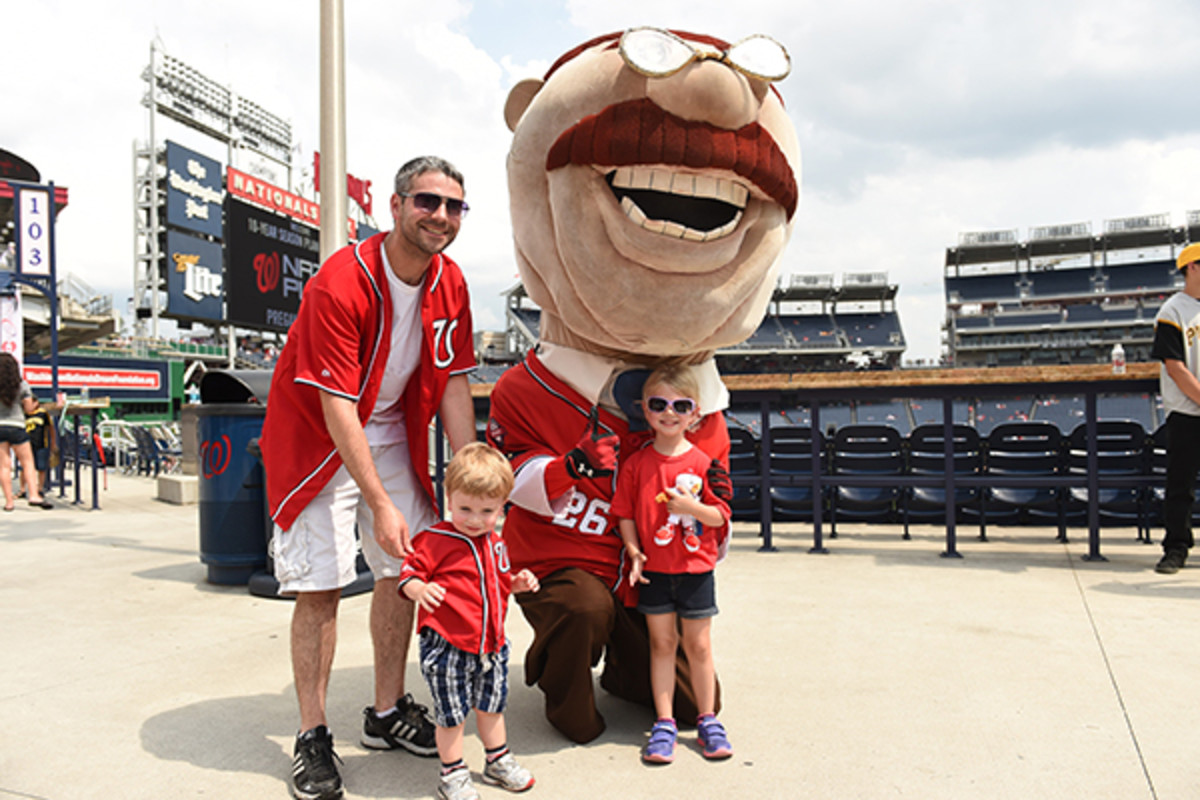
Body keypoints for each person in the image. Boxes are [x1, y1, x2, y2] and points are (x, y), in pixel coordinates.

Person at [260, 156, 478, 800]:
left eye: (454, 206)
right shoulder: (341, 279)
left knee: (404, 573)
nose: (440, 216)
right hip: (319, 438)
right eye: (427, 202)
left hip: (388, 432)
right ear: (396, 205)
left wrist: (470, 478)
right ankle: (312, 735)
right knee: (322, 584)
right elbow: (334, 404)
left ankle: (385, 711)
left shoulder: (453, 282)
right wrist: (380, 503)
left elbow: (456, 383)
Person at [399, 443, 539, 800]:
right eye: (465, 509)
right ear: (449, 497)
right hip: (449, 645)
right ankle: (453, 773)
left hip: (491, 645)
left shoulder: (495, 542)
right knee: (451, 715)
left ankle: (497, 759)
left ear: (502, 506)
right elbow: (408, 573)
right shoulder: (435, 540)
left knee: (492, 707)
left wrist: (516, 584)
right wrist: (418, 589)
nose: (475, 519)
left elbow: (496, 583)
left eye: (487, 510)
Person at [612, 365, 732, 763]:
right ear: (644, 410)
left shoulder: (705, 462)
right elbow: (625, 514)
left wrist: (691, 507)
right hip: (656, 571)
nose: (669, 413)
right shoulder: (635, 465)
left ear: (695, 412)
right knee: (662, 645)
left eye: (680, 405)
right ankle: (663, 722)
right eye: (659, 404)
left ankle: (708, 720)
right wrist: (633, 550)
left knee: (698, 646)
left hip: (696, 570)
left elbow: (721, 516)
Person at [1152, 242, 1200, 574]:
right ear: (1192, 267)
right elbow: (1175, 367)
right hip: (1186, 410)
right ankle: (1176, 547)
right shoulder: (1172, 310)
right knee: (1180, 484)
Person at [0, 353, 51, 512]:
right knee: (28, 462)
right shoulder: (22, 385)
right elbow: (29, 409)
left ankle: (9, 502)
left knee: (4, 466)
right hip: (17, 426)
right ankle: (34, 495)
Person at [23, 394, 55, 495]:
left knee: (41, 467)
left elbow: (50, 428)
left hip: (41, 444)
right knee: (24, 467)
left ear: (36, 403)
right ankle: (22, 489)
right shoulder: (23, 414)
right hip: (26, 444)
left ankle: (40, 488)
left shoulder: (43, 413)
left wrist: (53, 442)